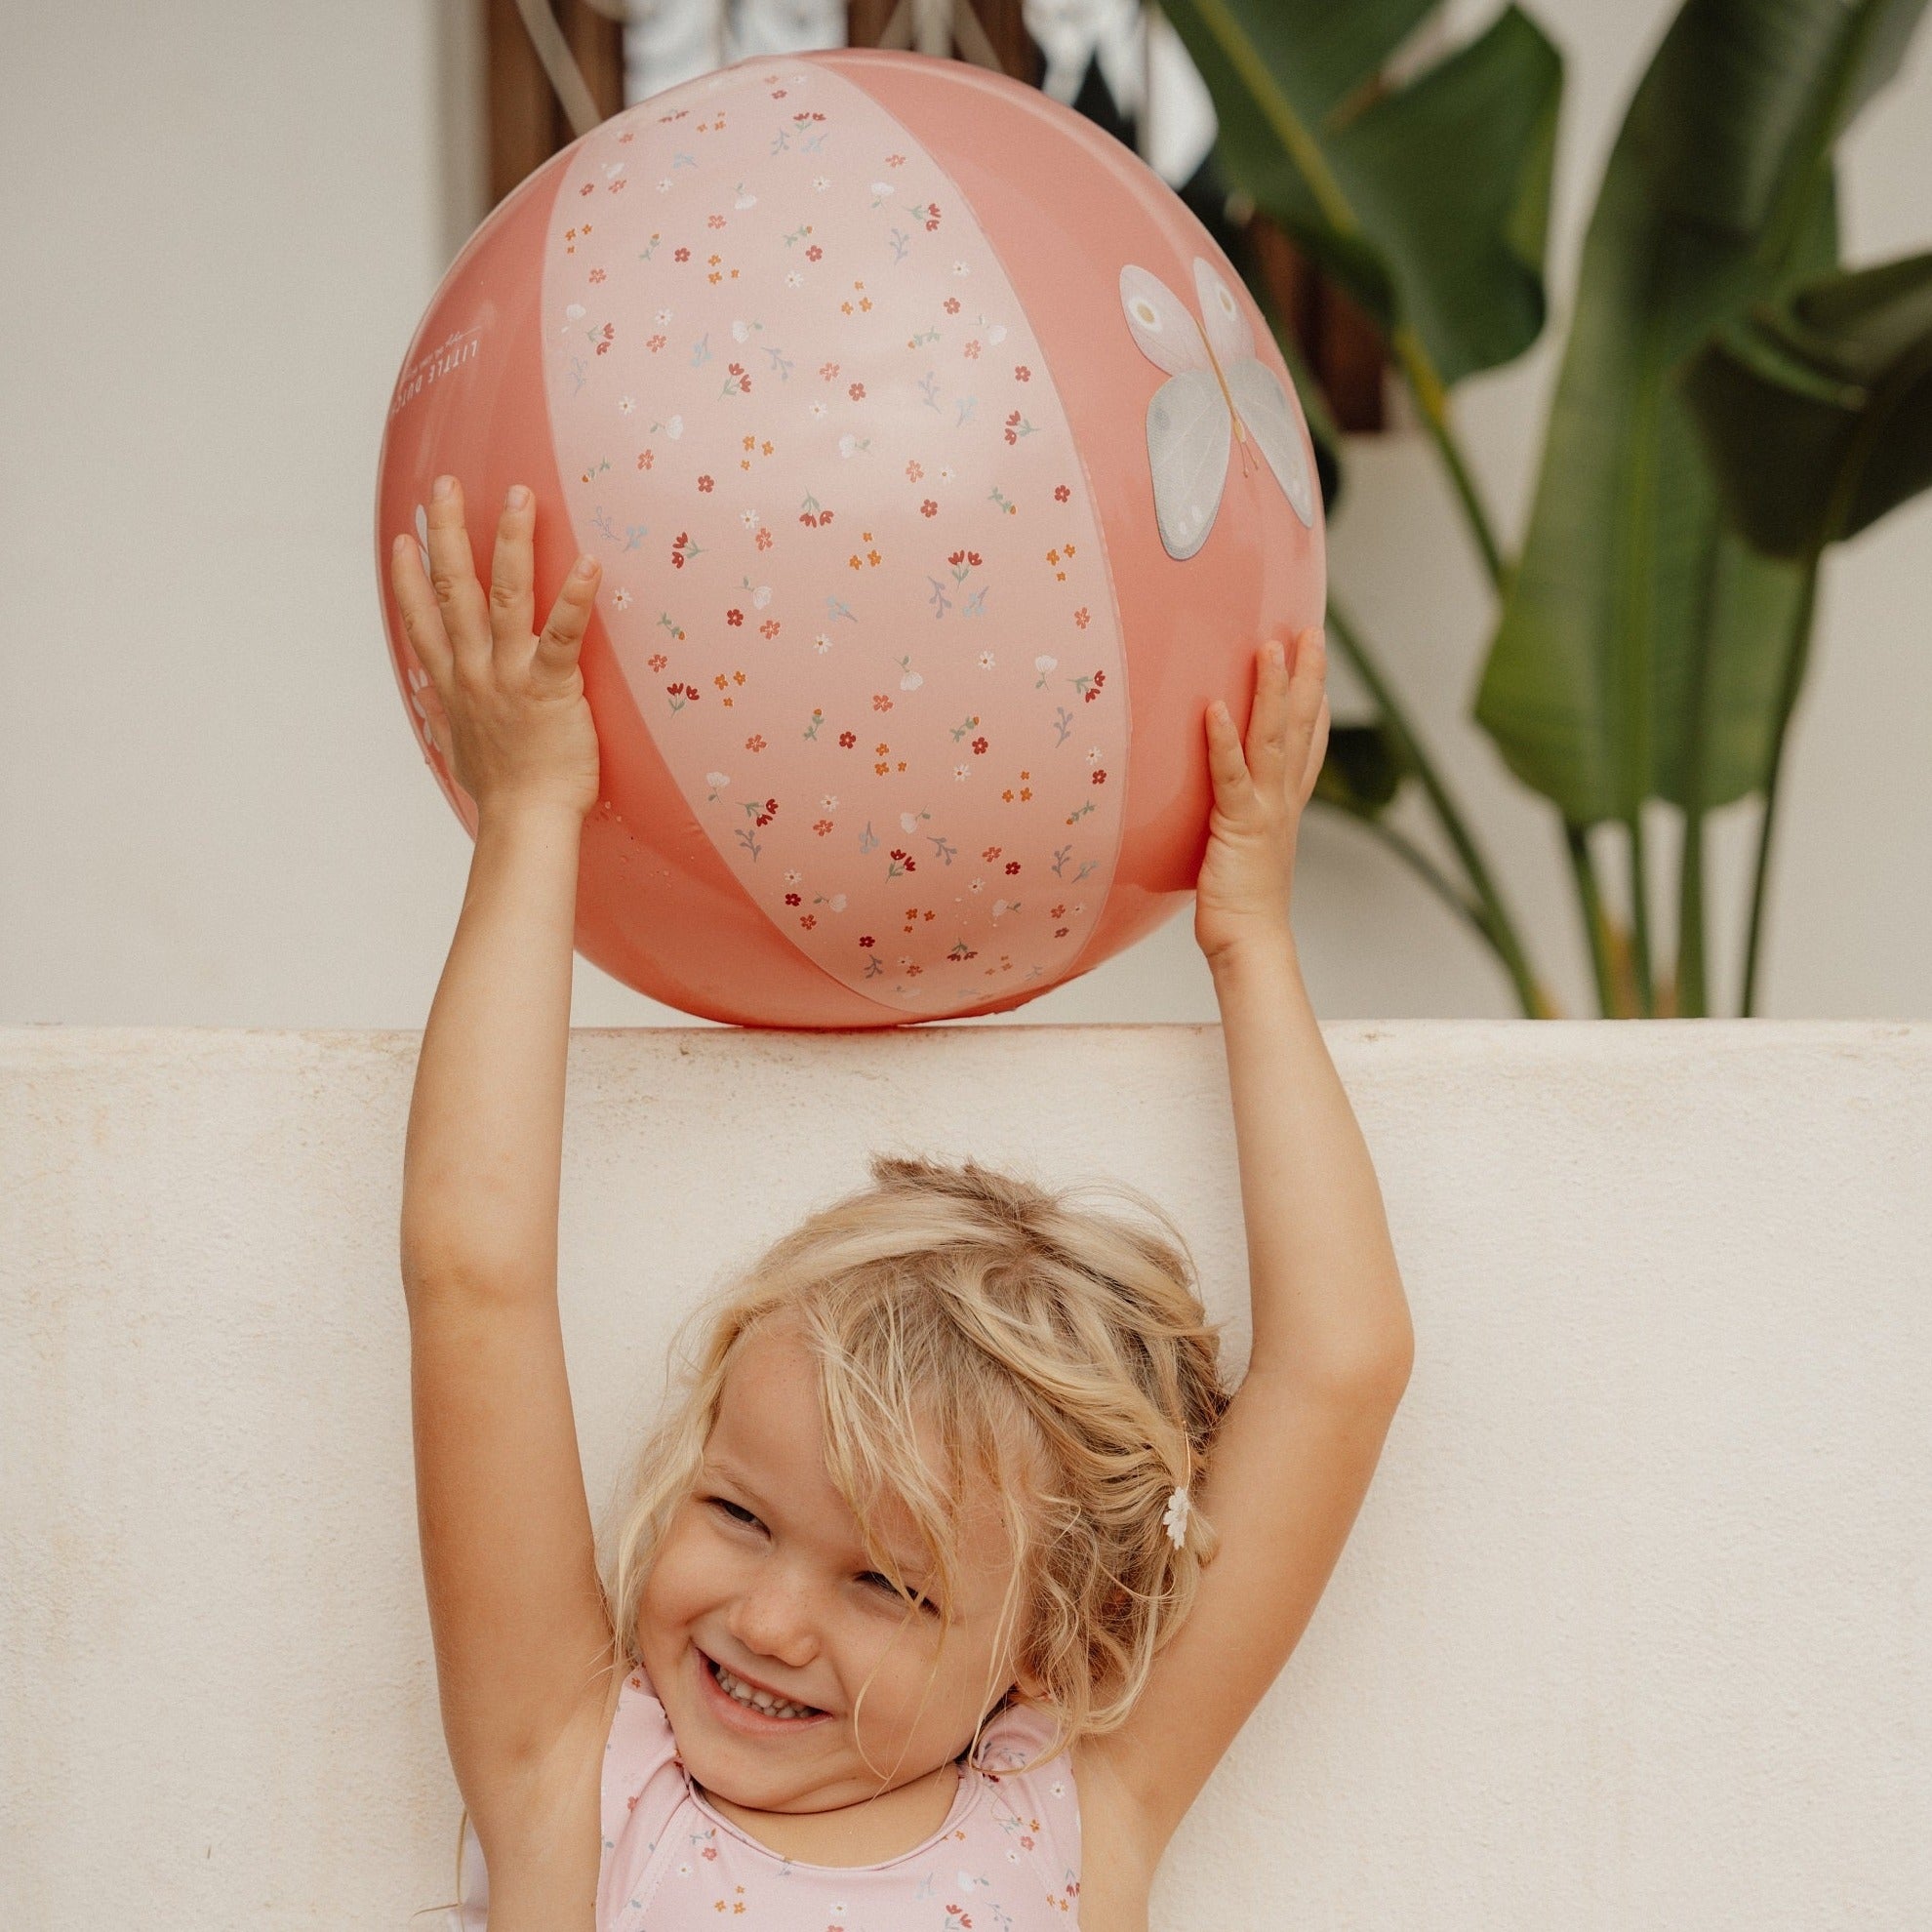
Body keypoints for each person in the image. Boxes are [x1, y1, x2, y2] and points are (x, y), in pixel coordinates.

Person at [389, 475, 1413, 1930]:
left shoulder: (1075, 1819)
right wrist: (532, 814)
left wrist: (1247, 939)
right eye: (739, 1514)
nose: (768, 1620)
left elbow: (1342, 1370)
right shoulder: (580, 1782)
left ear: (1051, 1639)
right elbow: (471, 1280)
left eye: (888, 1585)